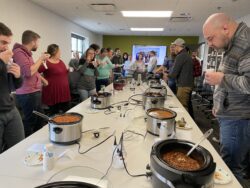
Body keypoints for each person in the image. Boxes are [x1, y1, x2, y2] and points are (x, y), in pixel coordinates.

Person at [203, 13, 250, 185]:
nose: (209, 44)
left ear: (225, 28)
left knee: (231, 168)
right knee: (228, 162)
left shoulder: (246, 42)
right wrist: (218, 103)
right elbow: (233, 75)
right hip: (229, 113)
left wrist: (220, 79)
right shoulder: (232, 43)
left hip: (238, 119)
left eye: (210, 38)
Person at [13, 30, 50, 137]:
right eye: (38, 42)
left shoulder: (27, 54)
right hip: (28, 94)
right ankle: (25, 145)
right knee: (30, 121)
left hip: (34, 92)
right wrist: (41, 59)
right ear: (33, 41)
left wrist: (43, 80)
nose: (38, 45)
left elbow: (34, 70)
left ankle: (38, 141)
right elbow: (29, 72)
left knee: (40, 119)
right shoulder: (19, 52)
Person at [0, 22, 24, 152]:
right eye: (3, 42)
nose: (6, 47)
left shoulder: (5, 59)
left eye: (8, 43)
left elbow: (16, 86)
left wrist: (18, 76)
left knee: (19, 149)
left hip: (10, 109)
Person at [38, 44, 71, 115]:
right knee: (54, 114)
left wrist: (67, 70)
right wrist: (43, 80)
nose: (60, 53)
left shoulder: (61, 61)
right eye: (59, 51)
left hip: (64, 91)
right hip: (53, 92)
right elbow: (35, 72)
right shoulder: (46, 62)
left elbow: (62, 72)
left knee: (67, 112)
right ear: (54, 52)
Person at [167, 38, 194, 115]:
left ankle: (185, 125)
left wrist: (167, 75)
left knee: (183, 108)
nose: (174, 48)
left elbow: (173, 74)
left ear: (178, 46)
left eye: (174, 46)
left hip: (183, 86)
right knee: (186, 105)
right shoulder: (186, 55)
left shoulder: (180, 56)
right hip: (187, 84)